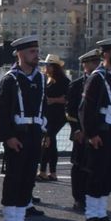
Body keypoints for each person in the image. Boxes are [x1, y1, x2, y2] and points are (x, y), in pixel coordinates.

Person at [0, 35, 46, 221]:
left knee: (28, 178)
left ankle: (21, 220)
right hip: (17, 135)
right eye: (32, 52)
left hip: (34, 133)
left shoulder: (40, 78)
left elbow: (44, 107)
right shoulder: (10, 79)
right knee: (14, 178)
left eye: (37, 51)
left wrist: (45, 131)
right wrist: (7, 137)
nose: (36, 55)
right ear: (20, 54)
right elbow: (1, 112)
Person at [79, 38, 111, 221]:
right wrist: (91, 133)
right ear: (106, 54)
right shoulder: (97, 77)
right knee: (97, 173)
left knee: (109, 174)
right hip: (102, 132)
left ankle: (102, 212)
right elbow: (87, 109)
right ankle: (92, 214)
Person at [66, 50, 98, 211]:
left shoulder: (102, 83)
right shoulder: (77, 85)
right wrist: (77, 129)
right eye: (93, 63)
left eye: (97, 62)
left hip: (96, 132)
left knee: (95, 166)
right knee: (79, 166)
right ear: (85, 65)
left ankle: (92, 197)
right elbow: (70, 111)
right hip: (81, 133)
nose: (97, 66)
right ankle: (79, 198)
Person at [39, 54, 69, 182]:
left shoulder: (64, 81)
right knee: (50, 142)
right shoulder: (47, 79)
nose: (46, 67)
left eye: (48, 65)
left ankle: (43, 171)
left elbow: (67, 99)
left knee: (48, 140)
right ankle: (52, 172)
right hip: (48, 115)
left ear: (55, 67)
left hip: (58, 115)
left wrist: (52, 100)